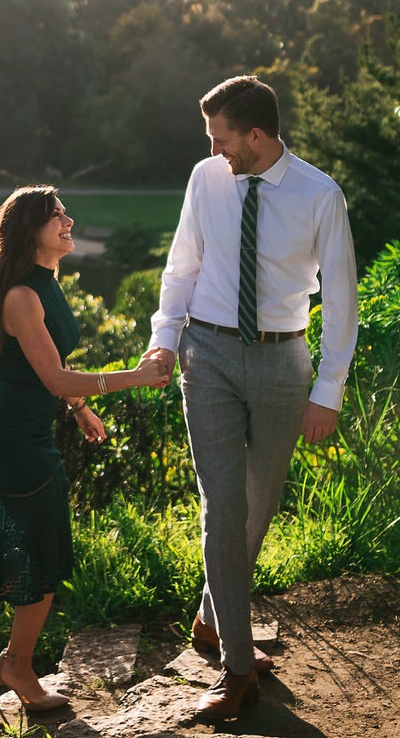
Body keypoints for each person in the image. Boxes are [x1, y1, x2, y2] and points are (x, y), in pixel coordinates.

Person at [142, 76, 358, 721]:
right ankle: (238, 668)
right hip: (204, 354)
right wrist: (163, 339)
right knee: (222, 505)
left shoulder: (321, 195)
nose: (215, 149)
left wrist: (329, 389)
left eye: (223, 137)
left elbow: (343, 298)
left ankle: (213, 618)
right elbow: (182, 266)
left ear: (257, 135)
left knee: (257, 504)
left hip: (282, 360)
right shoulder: (206, 179)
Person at [0, 184, 170, 712]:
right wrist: (138, 376)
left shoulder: (46, 281)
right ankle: (16, 664)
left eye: (65, 214)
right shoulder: (21, 296)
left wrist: (81, 409)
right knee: (45, 552)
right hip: (9, 435)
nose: (69, 222)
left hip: (26, 430)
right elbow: (54, 378)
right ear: (31, 230)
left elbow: (45, 373)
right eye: (56, 216)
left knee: (24, 533)